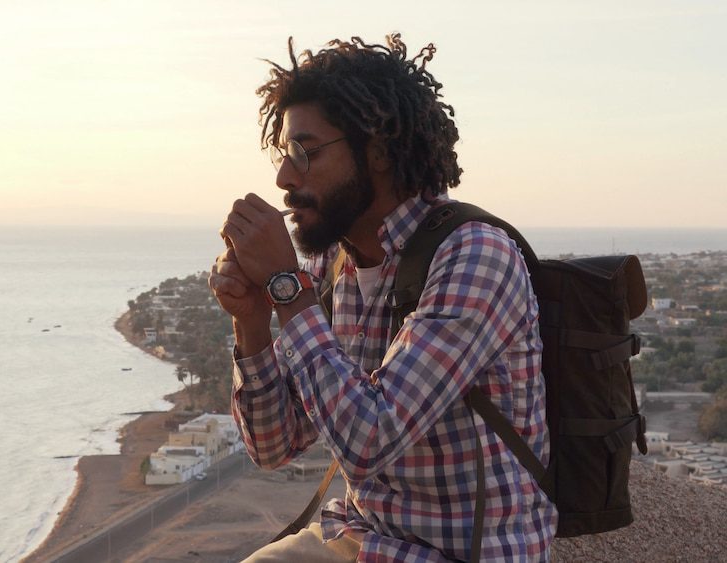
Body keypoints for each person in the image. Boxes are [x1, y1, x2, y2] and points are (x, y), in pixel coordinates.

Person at [208, 34, 557, 562]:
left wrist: (284, 285)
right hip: (362, 540)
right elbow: (272, 445)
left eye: (304, 152)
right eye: (283, 154)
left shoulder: (473, 256)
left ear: (377, 151)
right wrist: (253, 320)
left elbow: (370, 438)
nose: (283, 177)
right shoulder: (336, 264)